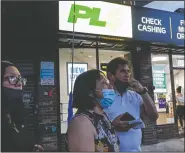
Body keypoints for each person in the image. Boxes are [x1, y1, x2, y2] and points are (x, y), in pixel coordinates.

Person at [104, 57, 158, 152]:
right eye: (123, 71)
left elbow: (154, 116)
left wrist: (143, 92)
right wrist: (112, 126)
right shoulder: (104, 97)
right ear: (111, 75)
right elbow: (94, 128)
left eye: (128, 71)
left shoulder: (135, 96)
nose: (127, 75)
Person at [67, 69, 120, 152]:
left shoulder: (103, 116)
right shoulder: (81, 123)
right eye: (103, 83)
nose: (110, 87)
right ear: (90, 93)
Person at [1, 61, 44, 152]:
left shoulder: (17, 118)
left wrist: (32, 148)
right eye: (12, 78)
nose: (19, 84)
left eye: (20, 79)